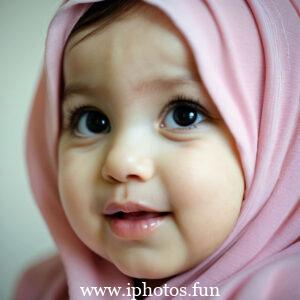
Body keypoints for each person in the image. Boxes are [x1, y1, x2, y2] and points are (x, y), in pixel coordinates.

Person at [14, 0, 300, 299]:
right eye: (93, 121)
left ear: (279, 138)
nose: (121, 161)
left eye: (184, 114)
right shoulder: (43, 288)